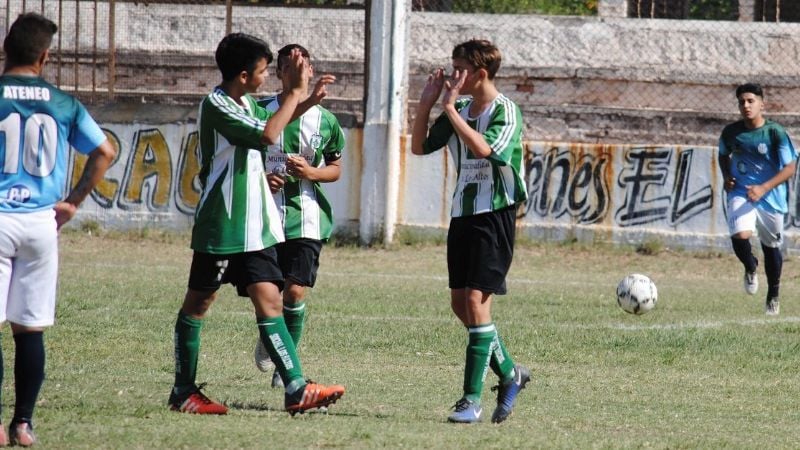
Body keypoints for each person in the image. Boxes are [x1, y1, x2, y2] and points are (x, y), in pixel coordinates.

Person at [168, 33, 344, 416]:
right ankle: (183, 392)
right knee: (199, 302)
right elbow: (268, 133)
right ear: (245, 75)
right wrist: (296, 92)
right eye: (264, 71)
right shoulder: (217, 105)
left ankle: (296, 388)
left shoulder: (244, 101)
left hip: (256, 223)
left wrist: (304, 99)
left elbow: (271, 121)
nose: (267, 78)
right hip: (224, 221)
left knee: (271, 300)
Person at [0, 13, 116, 446]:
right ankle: (23, 425)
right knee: (29, 329)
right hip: (39, 224)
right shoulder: (63, 103)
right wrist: (73, 201)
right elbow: (104, 151)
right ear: (45, 57)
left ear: (5, 50)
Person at [410, 39, 530, 424]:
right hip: (463, 214)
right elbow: (418, 146)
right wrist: (428, 102)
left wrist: (447, 107)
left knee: (477, 303)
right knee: (460, 304)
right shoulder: (459, 108)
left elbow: (482, 149)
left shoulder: (506, 111)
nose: (452, 75)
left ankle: (470, 401)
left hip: (494, 216)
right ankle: (511, 374)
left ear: (480, 73)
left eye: (459, 68)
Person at [252, 44, 344, 389]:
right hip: (264, 216)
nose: (297, 68)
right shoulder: (261, 111)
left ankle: (284, 364)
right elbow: (243, 155)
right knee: (269, 295)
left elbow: (335, 169)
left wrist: (311, 172)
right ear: (278, 72)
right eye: (288, 64)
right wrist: (263, 176)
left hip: (307, 219)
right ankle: (272, 334)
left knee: (294, 293)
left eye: (303, 63)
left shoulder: (326, 120)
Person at [718, 82, 797, 316]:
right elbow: (723, 155)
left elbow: (790, 168)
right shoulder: (731, 132)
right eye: (742, 101)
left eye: (751, 101)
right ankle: (750, 266)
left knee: (771, 248)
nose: (746, 105)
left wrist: (764, 187)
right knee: (740, 236)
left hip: (770, 197)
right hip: (741, 192)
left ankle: (773, 293)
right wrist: (726, 176)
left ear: (762, 103)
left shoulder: (775, 133)